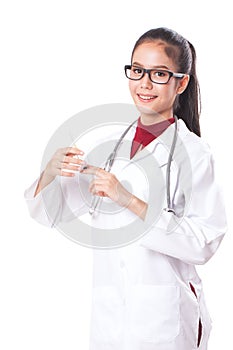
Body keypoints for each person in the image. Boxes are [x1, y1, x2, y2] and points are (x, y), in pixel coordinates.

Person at [25, 27, 227, 350]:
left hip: (165, 321)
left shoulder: (195, 154)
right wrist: (50, 173)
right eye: (137, 70)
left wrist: (128, 199)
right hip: (109, 318)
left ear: (181, 82)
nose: (144, 83)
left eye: (159, 73)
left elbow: (205, 242)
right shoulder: (109, 149)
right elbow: (52, 212)